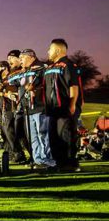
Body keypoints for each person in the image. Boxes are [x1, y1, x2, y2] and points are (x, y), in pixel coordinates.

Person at [44, 38, 81, 172]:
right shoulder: (51, 67)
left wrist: (72, 105)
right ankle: (58, 163)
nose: (48, 51)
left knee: (65, 136)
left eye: (50, 49)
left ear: (58, 50)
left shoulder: (68, 65)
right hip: (53, 109)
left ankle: (71, 164)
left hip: (65, 108)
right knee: (54, 137)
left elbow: (73, 86)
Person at [19, 49, 56, 171]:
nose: (20, 61)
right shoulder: (25, 71)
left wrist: (36, 88)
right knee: (33, 137)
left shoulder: (42, 68)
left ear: (31, 57)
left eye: (22, 58)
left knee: (43, 135)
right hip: (28, 109)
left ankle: (47, 160)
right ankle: (37, 159)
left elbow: (48, 85)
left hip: (40, 107)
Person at [6, 50, 31, 163]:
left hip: (28, 107)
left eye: (11, 58)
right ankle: (32, 156)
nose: (9, 61)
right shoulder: (13, 74)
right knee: (21, 135)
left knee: (27, 134)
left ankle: (35, 156)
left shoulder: (24, 71)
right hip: (19, 108)